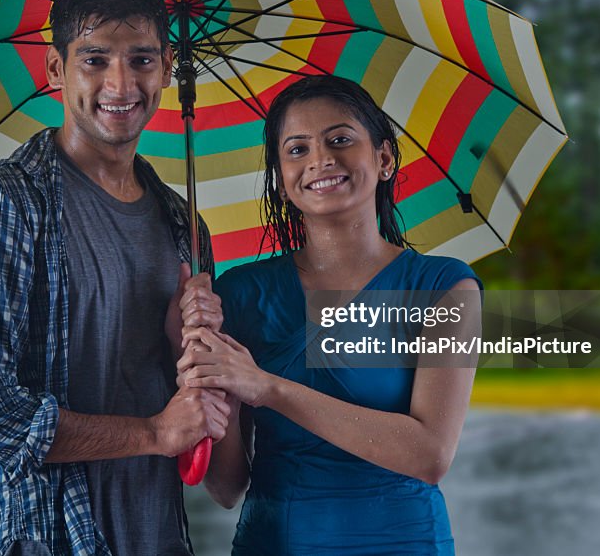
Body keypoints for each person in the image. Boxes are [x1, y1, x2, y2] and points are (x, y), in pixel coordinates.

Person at [0, 0, 229, 556]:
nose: (121, 86)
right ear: (55, 69)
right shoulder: (2, 204)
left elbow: (197, 426)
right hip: (49, 538)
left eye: (142, 59)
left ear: (168, 70)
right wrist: (154, 432)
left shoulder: (184, 226)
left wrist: (191, 349)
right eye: (95, 59)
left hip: (159, 536)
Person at [178, 74, 483, 554]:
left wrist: (268, 388)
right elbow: (226, 488)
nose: (320, 160)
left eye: (339, 139)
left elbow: (430, 454)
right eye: (297, 150)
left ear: (383, 159)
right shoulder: (237, 294)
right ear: (280, 180)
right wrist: (219, 382)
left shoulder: (446, 287)